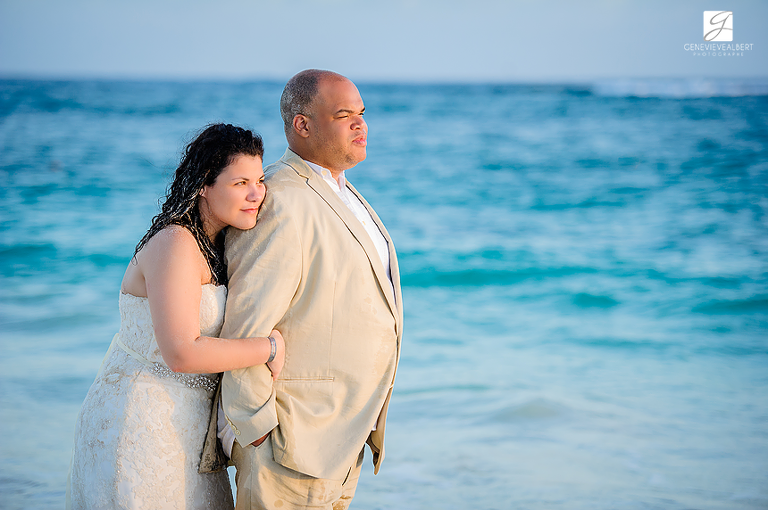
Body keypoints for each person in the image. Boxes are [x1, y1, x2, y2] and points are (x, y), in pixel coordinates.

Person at [209, 70, 403, 510]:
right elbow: (247, 319)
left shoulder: (343, 191)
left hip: (341, 439)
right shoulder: (280, 198)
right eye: (344, 115)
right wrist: (257, 426)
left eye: (361, 113)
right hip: (290, 445)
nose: (361, 124)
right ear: (302, 125)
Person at [67, 123, 286, 510]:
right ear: (204, 184)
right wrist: (267, 348)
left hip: (188, 426)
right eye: (240, 183)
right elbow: (182, 352)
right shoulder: (176, 243)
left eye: (260, 181)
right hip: (141, 421)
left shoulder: (218, 242)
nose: (257, 194)